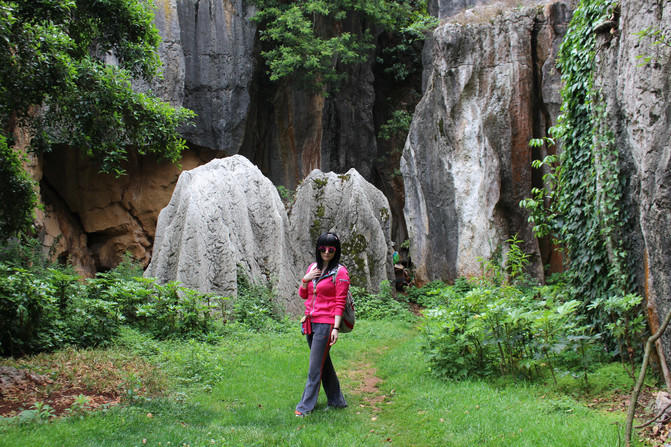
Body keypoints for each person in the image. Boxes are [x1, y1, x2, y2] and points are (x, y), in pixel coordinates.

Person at [295, 232, 349, 417]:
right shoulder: (313, 267)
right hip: (310, 322)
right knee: (323, 363)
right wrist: (305, 279)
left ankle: (304, 408)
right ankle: (337, 401)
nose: (326, 252)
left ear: (336, 251)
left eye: (331, 249)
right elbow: (304, 295)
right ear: (318, 249)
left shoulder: (340, 272)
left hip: (326, 324)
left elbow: (339, 302)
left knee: (314, 367)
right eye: (323, 248)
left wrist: (335, 328)